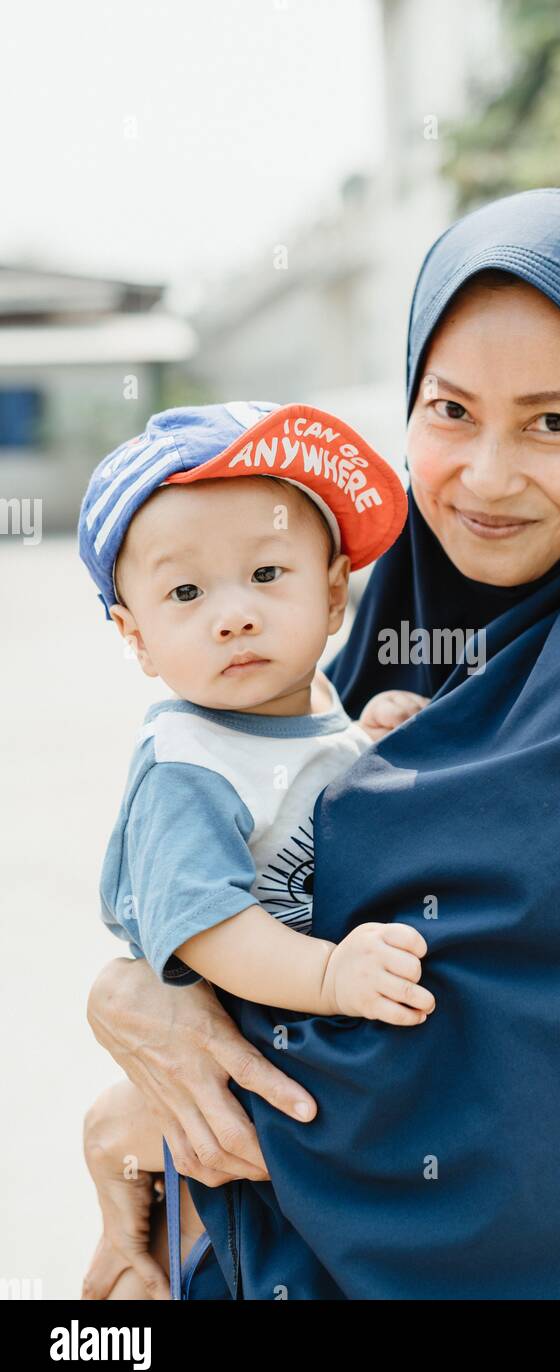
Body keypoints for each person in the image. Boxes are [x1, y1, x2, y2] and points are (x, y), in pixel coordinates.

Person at [84, 187, 560, 1300]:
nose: (487, 477)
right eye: (450, 410)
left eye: (555, 423)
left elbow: (497, 1102)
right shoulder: (377, 598)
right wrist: (135, 990)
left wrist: (151, 1082)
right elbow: (235, 858)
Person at [78, 401, 431, 1297]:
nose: (232, 616)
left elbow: (327, 792)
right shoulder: (187, 767)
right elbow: (210, 929)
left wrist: (380, 739)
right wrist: (331, 978)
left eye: (266, 572)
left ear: (333, 593)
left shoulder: (315, 719)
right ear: (136, 637)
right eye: (186, 594)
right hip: (214, 1112)